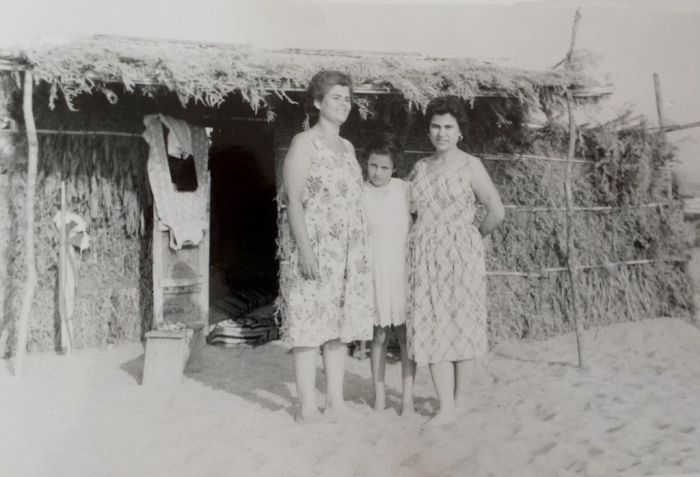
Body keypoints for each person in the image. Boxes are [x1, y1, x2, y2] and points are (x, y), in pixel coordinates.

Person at [276, 70, 374, 423]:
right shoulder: (304, 143)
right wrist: (305, 250)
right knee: (308, 326)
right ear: (317, 102)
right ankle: (306, 405)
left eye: (348, 99)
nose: (344, 105)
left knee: (338, 325)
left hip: (347, 251)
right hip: (315, 246)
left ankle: (336, 400)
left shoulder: (347, 148)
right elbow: (294, 202)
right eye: (336, 98)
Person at [407, 95, 505, 428]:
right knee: (433, 325)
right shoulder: (420, 168)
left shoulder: (470, 165)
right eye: (436, 126)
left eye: (449, 127)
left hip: (461, 256)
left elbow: (496, 212)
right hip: (426, 258)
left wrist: (471, 239)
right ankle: (445, 405)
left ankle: (458, 403)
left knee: (462, 325)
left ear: (460, 131)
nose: (441, 133)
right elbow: (406, 210)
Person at [361, 133, 416, 415]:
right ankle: (379, 395)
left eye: (384, 167)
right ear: (366, 164)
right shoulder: (360, 194)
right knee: (379, 335)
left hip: (402, 271)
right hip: (376, 273)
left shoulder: (405, 190)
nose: (378, 172)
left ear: (394, 168)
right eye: (372, 165)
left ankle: (407, 398)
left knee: (407, 336)